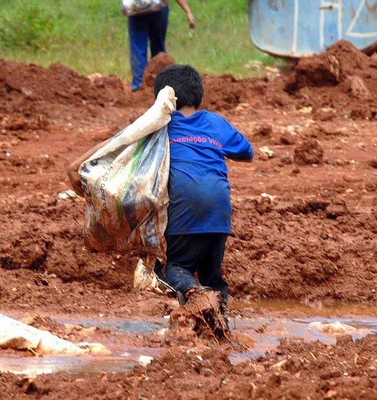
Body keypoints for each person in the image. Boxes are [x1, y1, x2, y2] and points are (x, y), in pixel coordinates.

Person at [151, 64, 253, 326]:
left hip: (185, 211)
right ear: (199, 95)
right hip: (219, 214)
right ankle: (220, 326)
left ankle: (198, 296)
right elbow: (246, 151)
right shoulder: (215, 123)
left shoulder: (160, 126)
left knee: (170, 269)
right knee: (212, 276)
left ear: (163, 99)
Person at [126, 0, 195, 92]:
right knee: (158, 50)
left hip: (137, 9)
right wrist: (188, 11)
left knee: (138, 49)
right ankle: (160, 86)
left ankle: (139, 87)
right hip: (158, 9)